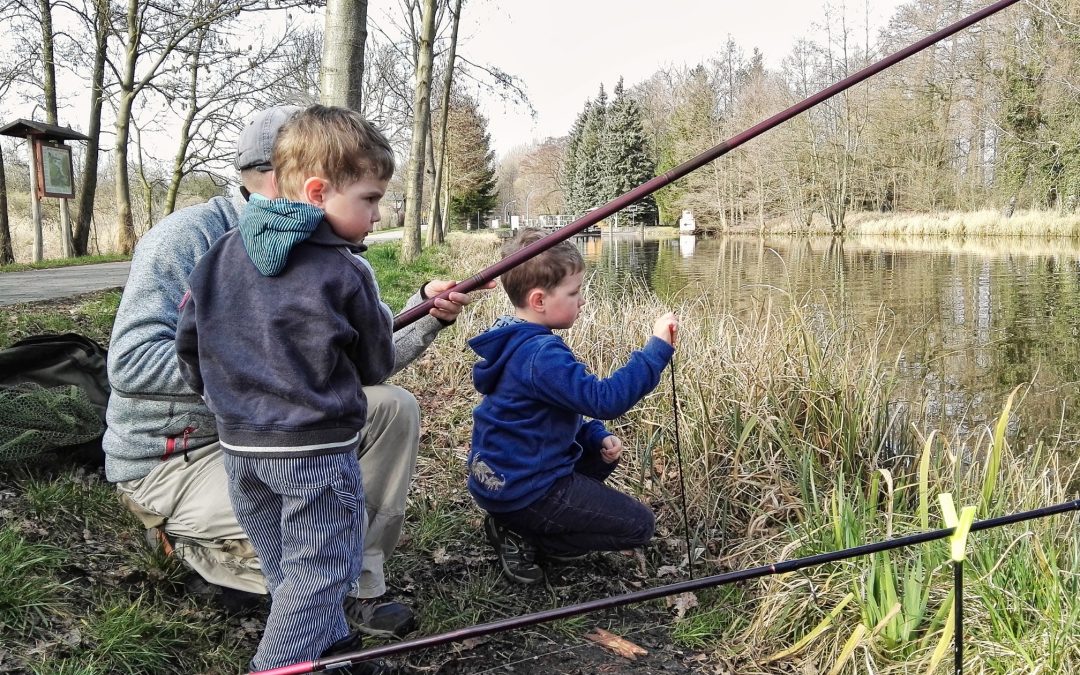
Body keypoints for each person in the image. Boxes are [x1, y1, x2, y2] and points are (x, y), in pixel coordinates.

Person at [103, 104, 483, 640]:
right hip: (177, 459)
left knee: (392, 409)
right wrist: (255, 375)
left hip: (282, 434)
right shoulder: (190, 240)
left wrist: (426, 316)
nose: (369, 214)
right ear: (279, 182)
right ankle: (212, 562)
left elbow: (357, 362)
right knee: (314, 554)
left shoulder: (333, 248)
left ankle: (357, 589)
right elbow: (131, 361)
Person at [175, 104, 400, 672]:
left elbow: (189, 339)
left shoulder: (220, 253)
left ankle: (325, 656)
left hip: (239, 449)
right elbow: (376, 364)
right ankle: (274, 667)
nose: (377, 214)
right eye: (370, 199)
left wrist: (219, 401)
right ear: (320, 192)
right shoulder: (345, 270)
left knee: (284, 565)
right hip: (313, 453)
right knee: (322, 568)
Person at [467, 228, 678, 584]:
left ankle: (533, 524)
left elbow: (549, 410)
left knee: (600, 449)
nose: (581, 301)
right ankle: (525, 532)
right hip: (523, 489)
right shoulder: (540, 353)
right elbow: (605, 399)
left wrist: (595, 433)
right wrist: (656, 349)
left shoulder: (514, 338)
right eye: (574, 292)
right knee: (640, 526)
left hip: (500, 478)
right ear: (539, 300)